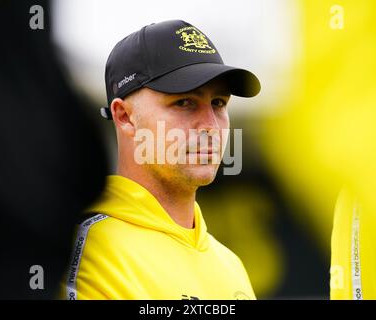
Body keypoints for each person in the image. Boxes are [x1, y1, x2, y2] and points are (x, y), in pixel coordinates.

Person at [61, 20, 261, 300]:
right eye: (184, 102)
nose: (210, 126)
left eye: (218, 103)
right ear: (124, 116)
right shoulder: (89, 252)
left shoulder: (231, 265)